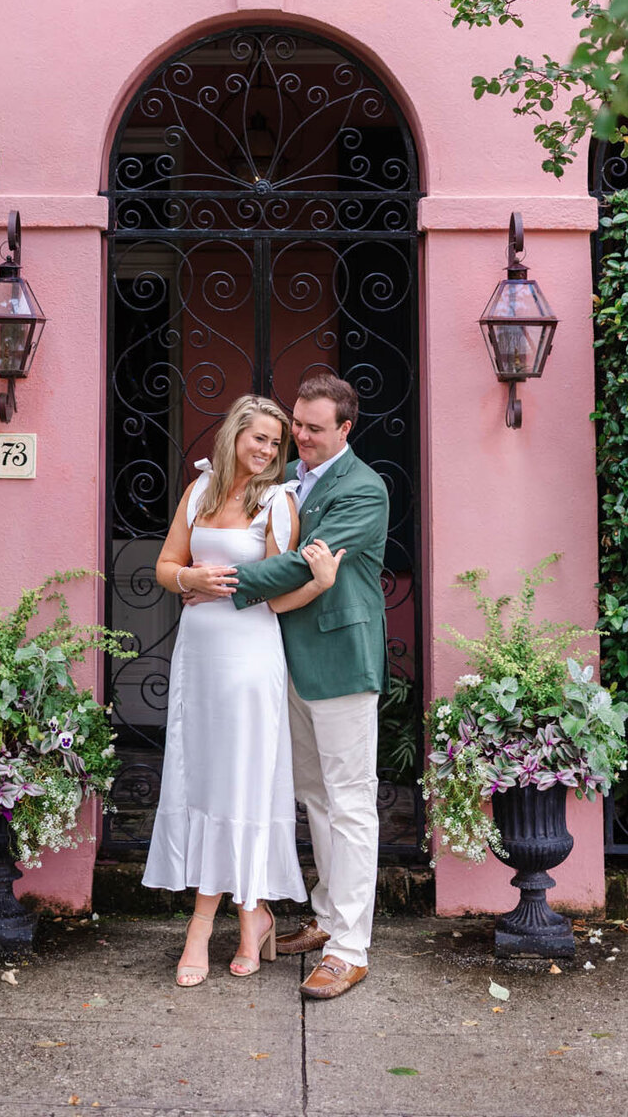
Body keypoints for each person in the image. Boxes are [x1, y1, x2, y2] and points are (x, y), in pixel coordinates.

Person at [182, 374, 388, 1001]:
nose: (299, 436)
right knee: (314, 795)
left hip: (341, 663)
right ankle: (326, 920)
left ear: (345, 430)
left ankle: (350, 950)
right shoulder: (293, 485)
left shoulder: (365, 489)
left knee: (350, 801)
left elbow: (306, 561)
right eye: (297, 423)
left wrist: (215, 578)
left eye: (313, 428)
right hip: (285, 660)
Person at [142, 394, 344, 986]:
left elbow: (279, 593)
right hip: (200, 655)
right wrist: (190, 577)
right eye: (259, 438)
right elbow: (164, 566)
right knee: (203, 776)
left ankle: (203, 927)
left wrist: (319, 584)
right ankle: (252, 915)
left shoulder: (278, 502)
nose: (268, 451)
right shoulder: (200, 491)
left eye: (276, 444)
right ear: (234, 434)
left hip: (251, 656)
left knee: (243, 782)